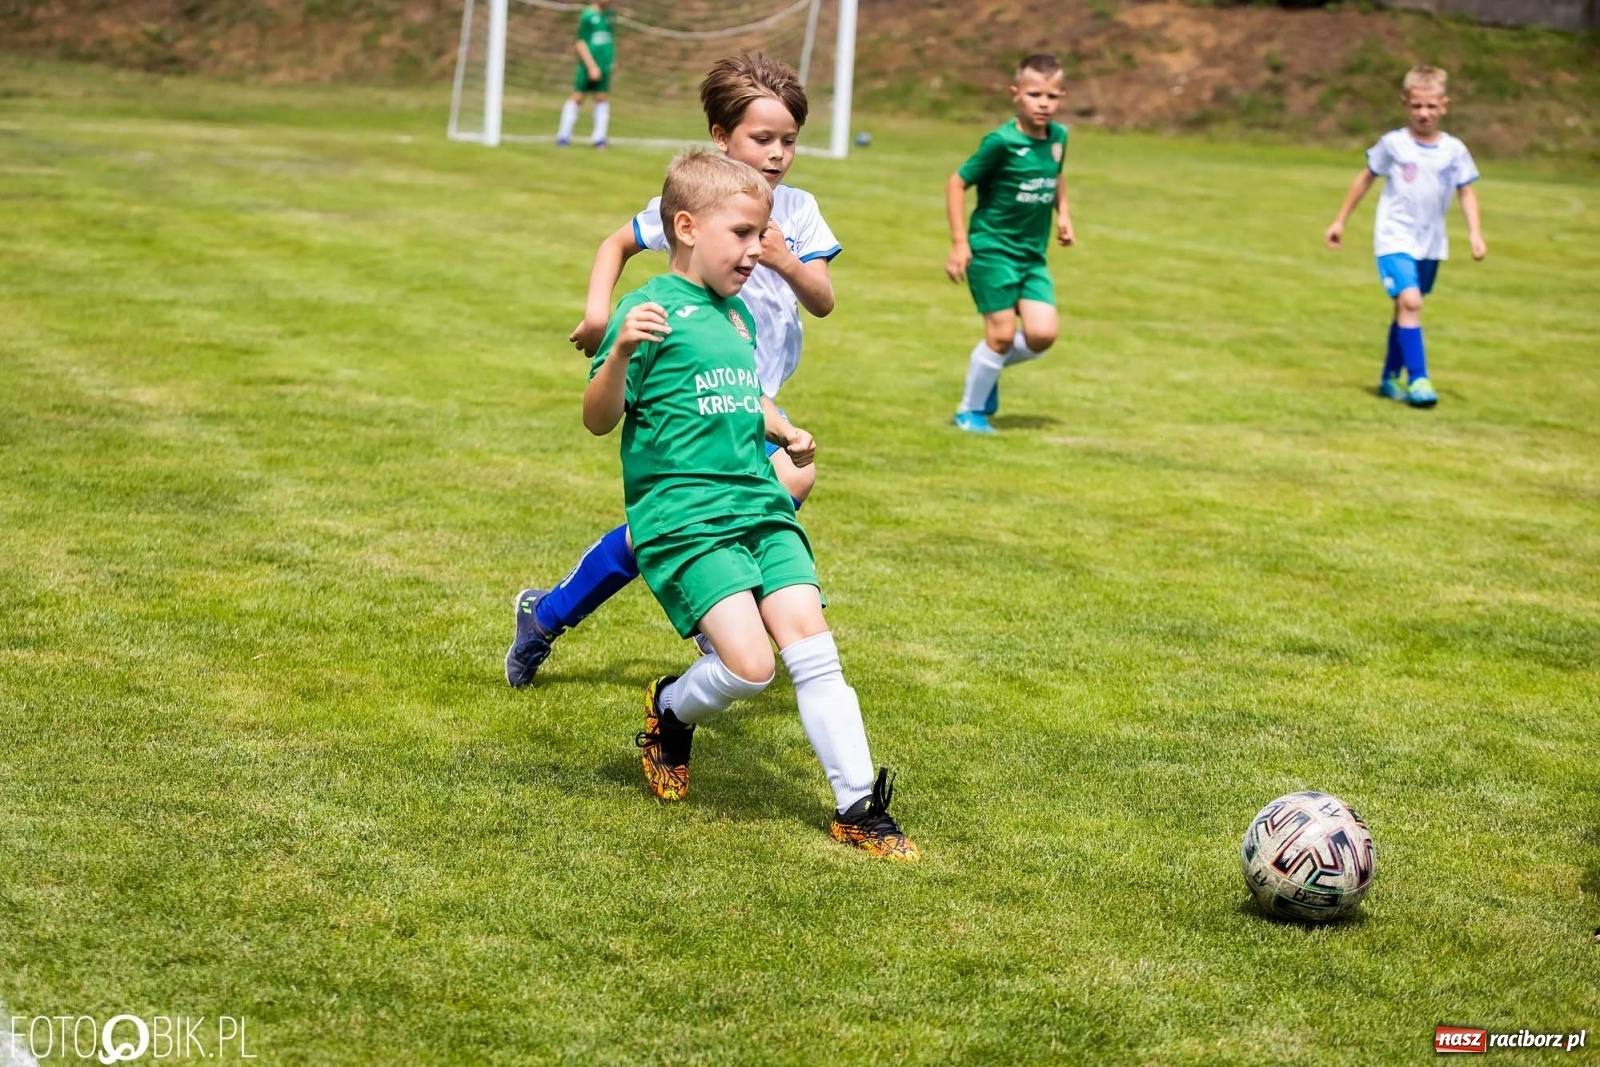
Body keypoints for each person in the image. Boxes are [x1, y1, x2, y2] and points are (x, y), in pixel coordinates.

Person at [583, 149, 917, 859]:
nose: (755, 250)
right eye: (741, 234)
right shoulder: (649, 312)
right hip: (685, 519)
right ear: (686, 226)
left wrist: (779, 423)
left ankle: (859, 806)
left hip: (758, 504)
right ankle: (670, 711)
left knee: (815, 651)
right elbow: (597, 417)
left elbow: (739, 392)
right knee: (750, 667)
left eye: (762, 234)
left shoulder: (737, 318)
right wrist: (615, 357)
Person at [509, 53, 839, 684]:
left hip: (750, 392)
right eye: (760, 138)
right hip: (690, 390)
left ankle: (550, 614)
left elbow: (822, 301)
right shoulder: (701, 202)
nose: (776, 154)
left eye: (789, 141)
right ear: (722, 137)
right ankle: (704, 617)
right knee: (722, 506)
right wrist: (598, 314)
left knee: (763, 490)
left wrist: (784, 260)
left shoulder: (796, 212)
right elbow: (617, 243)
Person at [1324, 64, 1486, 408]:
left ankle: (1387, 379)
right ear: (1405, 104)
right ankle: (1419, 379)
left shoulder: (1454, 150)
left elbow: (1466, 191)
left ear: (1444, 105)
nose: (1424, 114)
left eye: (1431, 106)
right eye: (1416, 106)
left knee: (1404, 307)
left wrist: (1475, 233)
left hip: (1431, 243)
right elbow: (1365, 178)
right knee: (1412, 301)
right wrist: (1340, 221)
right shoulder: (1393, 144)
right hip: (1393, 238)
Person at [944, 53, 1076, 435]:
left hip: (1032, 256)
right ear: (1015, 94)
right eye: (1035, 94)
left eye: (1052, 96)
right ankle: (970, 412)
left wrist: (1063, 214)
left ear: (1062, 96)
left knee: (1042, 336)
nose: (1044, 103)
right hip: (992, 249)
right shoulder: (1000, 142)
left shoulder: (1059, 138)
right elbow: (957, 183)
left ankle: (990, 366)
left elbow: (1056, 175)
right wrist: (959, 243)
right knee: (1000, 335)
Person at [556, 0, 615, 148]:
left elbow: (610, 41)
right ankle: (563, 136)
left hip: (604, 65)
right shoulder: (587, 15)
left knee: (601, 97)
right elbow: (580, 42)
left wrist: (612, 61)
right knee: (578, 97)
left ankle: (599, 138)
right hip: (588, 66)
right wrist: (591, 65)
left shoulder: (610, 15)